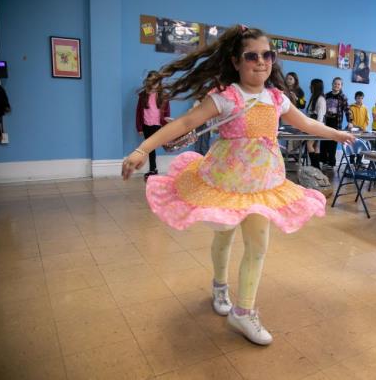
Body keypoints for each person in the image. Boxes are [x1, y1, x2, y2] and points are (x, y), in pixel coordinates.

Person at [122, 25, 355, 346]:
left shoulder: (276, 98)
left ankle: (243, 312)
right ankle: (220, 286)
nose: (261, 62)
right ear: (235, 61)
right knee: (225, 236)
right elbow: (185, 123)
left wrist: (337, 134)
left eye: (267, 55)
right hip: (226, 182)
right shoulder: (226, 97)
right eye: (252, 56)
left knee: (258, 247)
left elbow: (306, 122)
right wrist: (142, 149)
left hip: (264, 184)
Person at [135, 71, 171, 180]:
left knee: (156, 146)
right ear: (148, 82)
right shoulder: (143, 95)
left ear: (159, 82)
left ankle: (153, 169)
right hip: (146, 125)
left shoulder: (163, 95)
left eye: (156, 81)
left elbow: (167, 112)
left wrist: (166, 126)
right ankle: (153, 169)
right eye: (152, 80)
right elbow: (138, 113)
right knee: (150, 148)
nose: (154, 83)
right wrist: (139, 127)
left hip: (158, 125)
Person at [320, 77, 351, 169]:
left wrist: (350, 121)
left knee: (332, 143)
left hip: (336, 122)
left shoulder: (343, 97)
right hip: (326, 121)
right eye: (335, 83)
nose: (336, 85)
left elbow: (347, 110)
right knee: (324, 142)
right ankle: (324, 161)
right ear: (332, 84)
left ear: (341, 86)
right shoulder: (326, 95)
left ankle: (331, 163)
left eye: (339, 84)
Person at [306, 79, 326, 169]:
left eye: (311, 85)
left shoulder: (321, 99)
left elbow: (320, 116)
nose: (310, 87)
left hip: (317, 125)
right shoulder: (314, 97)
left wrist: (317, 129)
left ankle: (315, 167)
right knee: (316, 146)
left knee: (309, 144)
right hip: (313, 125)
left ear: (315, 87)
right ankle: (317, 168)